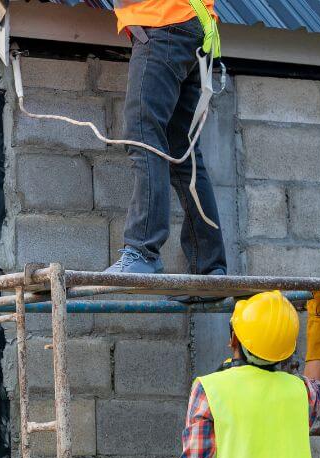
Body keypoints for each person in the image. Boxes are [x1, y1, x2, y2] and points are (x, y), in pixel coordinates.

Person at [170, 291, 320, 458]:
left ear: (234, 338)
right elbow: (318, 385)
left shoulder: (210, 390)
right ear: (286, 351)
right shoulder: (300, 393)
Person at [105, 0, 227, 276]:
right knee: (182, 153)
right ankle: (210, 267)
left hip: (163, 21)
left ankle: (142, 250)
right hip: (193, 25)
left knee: (143, 135)